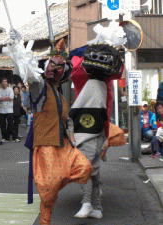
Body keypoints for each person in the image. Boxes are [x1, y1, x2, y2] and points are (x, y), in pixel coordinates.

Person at [25, 40, 91, 224]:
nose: (56, 69)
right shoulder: (40, 89)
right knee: (48, 197)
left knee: (84, 168)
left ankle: (53, 185)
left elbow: (67, 121)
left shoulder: (61, 95)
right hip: (45, 144)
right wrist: (19, 52)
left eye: (60, 67)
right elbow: (32, 78)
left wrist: (73, 139)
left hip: (63, 145)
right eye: (52, 65)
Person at [69, 43, 124, 219]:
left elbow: (76, 68)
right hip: (95, 125)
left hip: (91, 127)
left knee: (86, 166)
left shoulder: (96, 82)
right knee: (93, 168)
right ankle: (96, 207)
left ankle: (87, 203)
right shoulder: (100, 83)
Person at [0, 78, 14, 142]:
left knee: (10, 124)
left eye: (5, 82)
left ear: (7, 83)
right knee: (2, 124)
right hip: (1, 109)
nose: (4, 83)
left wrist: (3, 98)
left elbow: (11, 97)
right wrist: (6, 98)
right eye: (3, 82)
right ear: (1, 83)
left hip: (9, 109)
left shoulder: (10, 89)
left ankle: (8, 136)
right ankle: (3, 137)